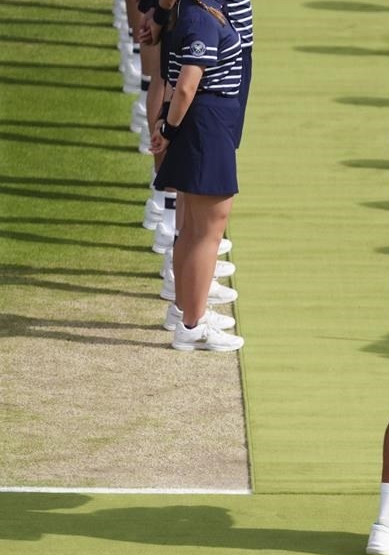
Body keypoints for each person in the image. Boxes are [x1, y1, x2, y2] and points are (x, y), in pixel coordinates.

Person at [150, 0, 244, 352]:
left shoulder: (197, 12)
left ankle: (187, 312)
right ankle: (193, 322)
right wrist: (169, 130)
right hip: (206, 125)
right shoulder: (199, 18)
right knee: (207, 232)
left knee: (193, 231)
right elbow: (186, 85)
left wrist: (168, 126)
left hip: (206, 122)